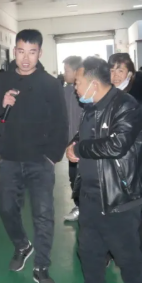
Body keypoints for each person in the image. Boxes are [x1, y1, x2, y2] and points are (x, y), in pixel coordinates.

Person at [67, 57, 142, 283]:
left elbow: (116, 145)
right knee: (88, 252)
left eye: (78, 83)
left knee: (126, 254)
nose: (75, 88)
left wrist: (80, 148)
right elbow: (86, 137)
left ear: (93, 84)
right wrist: (75, 144)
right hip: (91, 196)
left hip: (119, 196)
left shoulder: (125, 105)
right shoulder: (90, 107)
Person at [0, 30, 68, 283]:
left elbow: (61, 122)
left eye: (32, 52)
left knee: (43, 214)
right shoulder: (3, 79)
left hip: (40, 160)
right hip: (10, 158)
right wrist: (2, 102)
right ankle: (22, 245)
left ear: (40, 53)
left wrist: (52, 157)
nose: (26, 58)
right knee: (6, 209)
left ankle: (42, 267)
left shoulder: (50, 84)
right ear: (14, 52)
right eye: (21, 52)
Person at [108, 53, 142, 254]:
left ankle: (135, 254)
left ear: (130, 73)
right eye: (111, 70)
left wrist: (124, 130)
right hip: (108, 161)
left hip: (134, 161)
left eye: (120, 70)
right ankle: (110, 251)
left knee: (134, 210)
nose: (115, 76)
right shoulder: (103, 94)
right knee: (110, 210)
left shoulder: (141, 94)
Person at [62, 56, 83, 222]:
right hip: (71, 144)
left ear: (76, 72)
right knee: (73, 177)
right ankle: (79, 206)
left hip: (84, 143)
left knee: (85, 178)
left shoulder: (85, 91)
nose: (64, 74)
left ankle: (86, 208)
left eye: (67, 70)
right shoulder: (66, 91)